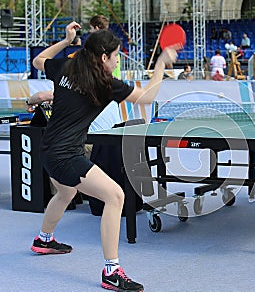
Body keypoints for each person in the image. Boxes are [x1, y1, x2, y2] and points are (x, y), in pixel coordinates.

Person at [30, 21, 178, 291]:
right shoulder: (105, 83)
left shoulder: (66, 66)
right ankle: (111, 270)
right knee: (115, 196)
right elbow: (147, 97)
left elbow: (39, 59)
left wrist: (66, 40)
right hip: (65, 156)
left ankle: (43, 239)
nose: (117, 60)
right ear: (103, 57)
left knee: (65, 194)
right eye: (116, 55)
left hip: (48, 149)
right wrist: (160, 65)